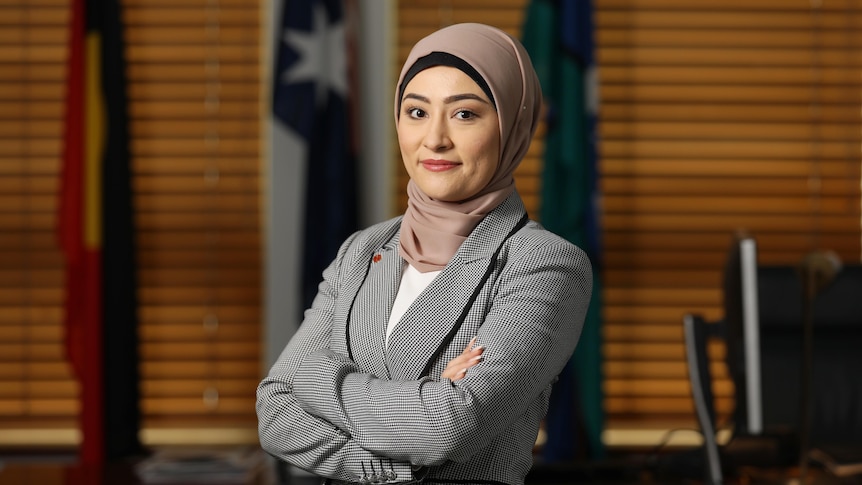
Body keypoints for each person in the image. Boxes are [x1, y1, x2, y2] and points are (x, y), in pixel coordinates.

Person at [257, 22, 593, 485]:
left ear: (513, 125)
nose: (434, 139)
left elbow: (449, 427)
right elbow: (275, 409)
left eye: (465, 115)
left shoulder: (545, 264)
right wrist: (418, 408)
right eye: (416, 112)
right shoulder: (363, 249)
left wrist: (320, 379)